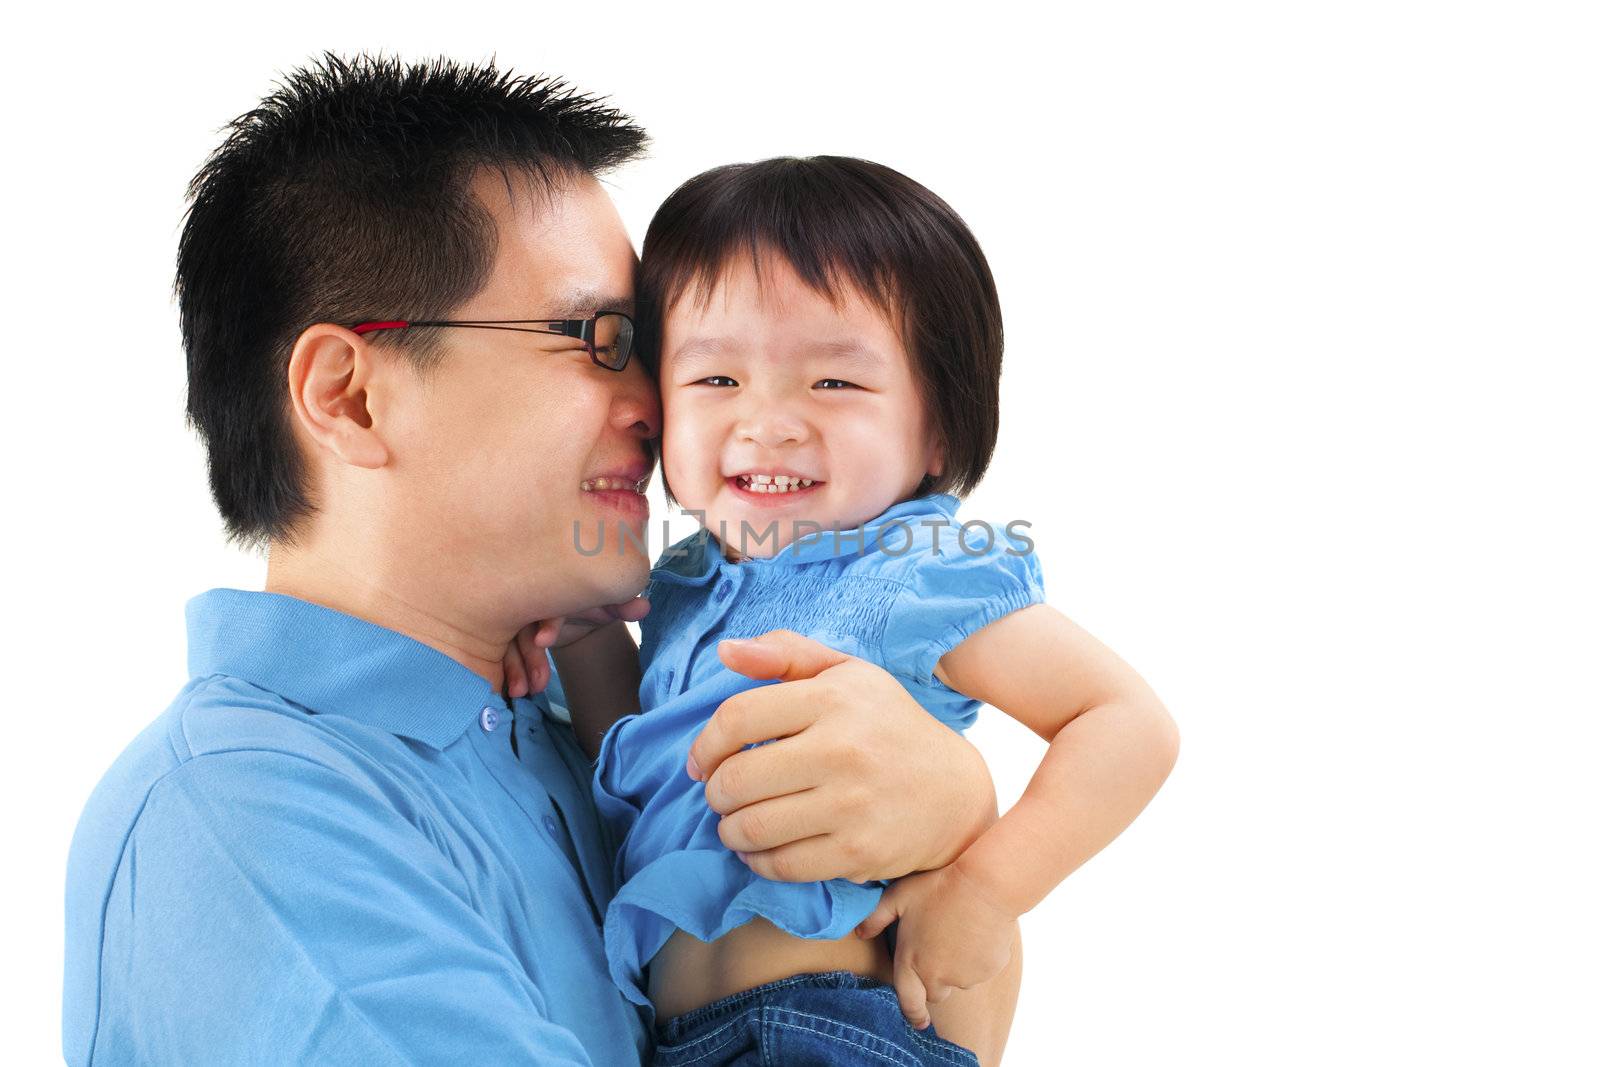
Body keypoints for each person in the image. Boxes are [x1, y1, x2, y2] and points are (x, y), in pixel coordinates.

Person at [61, 56, 1005, 1066]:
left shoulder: (580, 741)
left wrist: (958, 827)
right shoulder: (250, 821)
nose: (663, 403)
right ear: (350, 395)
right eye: (598, 337)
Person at [502, 157, 1181, 1066]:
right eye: (715, 381)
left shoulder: (918, 566)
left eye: (833, 384)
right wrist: (583, 631)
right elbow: (630, 754)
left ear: (939, 428)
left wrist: (985, 889)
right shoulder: (686, 580)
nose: (769, 421)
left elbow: (1127, 722)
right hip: (675, 1039)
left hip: (827, 1028)